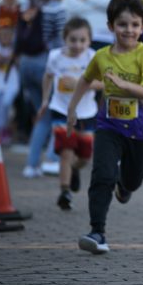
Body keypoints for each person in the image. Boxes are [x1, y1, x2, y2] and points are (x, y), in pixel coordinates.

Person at [68, 0, 143, 254]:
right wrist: (72, 108)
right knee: (101, 175)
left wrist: (124, 85)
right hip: (108, 126)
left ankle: (125, 184)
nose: (128, 30)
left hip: (140, 130)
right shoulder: (101, 56)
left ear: (142, 27)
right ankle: (97, 231)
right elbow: (85, 80)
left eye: (134, 25)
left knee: (132, 180)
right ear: (110, 26)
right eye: (122, 24)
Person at [37, 18, 100, 211]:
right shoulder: (56, 56)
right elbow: (47, 76)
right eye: (73, 40)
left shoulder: (93, 57)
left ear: (90, 40)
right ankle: (64, 192)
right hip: (61, 110)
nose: (78, 45)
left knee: (84, 157)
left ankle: (74, 169)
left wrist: (81, 84)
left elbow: (104, 84)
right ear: (65, 39)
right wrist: (45, 100)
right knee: (66, 151)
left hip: (86, 113)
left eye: (82, 40)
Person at [21, 0, 67, 178]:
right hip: (47, 65)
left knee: (42, 114)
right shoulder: (57, 7)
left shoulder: (26, 3)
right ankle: (52, 158)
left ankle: (31, 165)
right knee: (57, 112)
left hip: (25, 64)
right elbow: (59, 41)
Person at [0, 22, 19, 145]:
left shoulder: (15, 50)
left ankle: (7, 127)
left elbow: (19, 64)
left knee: (7, 103)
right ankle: (1, 133)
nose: (5, 38)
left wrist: (12, 58)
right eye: (3, 35)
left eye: (8, 35)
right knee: (0, 109)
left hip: (12, 84)